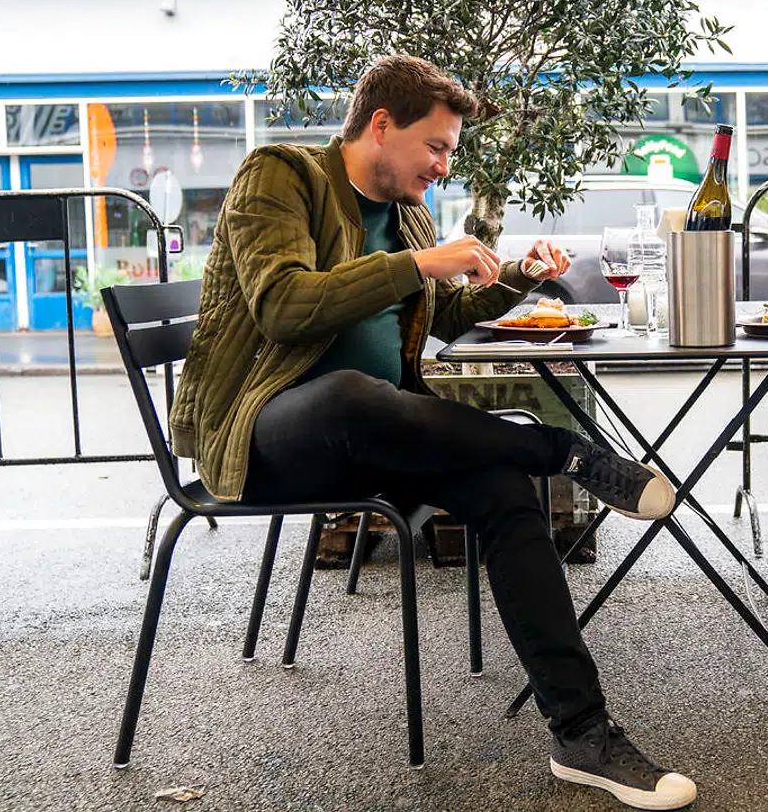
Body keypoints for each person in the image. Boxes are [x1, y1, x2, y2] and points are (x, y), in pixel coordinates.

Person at [170, 54, 697, 810]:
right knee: (349, 393)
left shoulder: (409, 212)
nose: (444, 168)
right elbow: (283, 306)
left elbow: (444, 315)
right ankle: (564, 453)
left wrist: (519, 275)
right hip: (267, 432)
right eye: (437, 147)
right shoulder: (281, 175)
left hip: (382, 433)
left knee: (503, 488)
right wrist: (417, 260)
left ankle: (582, 733)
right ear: (380, 127)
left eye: (451, 152)